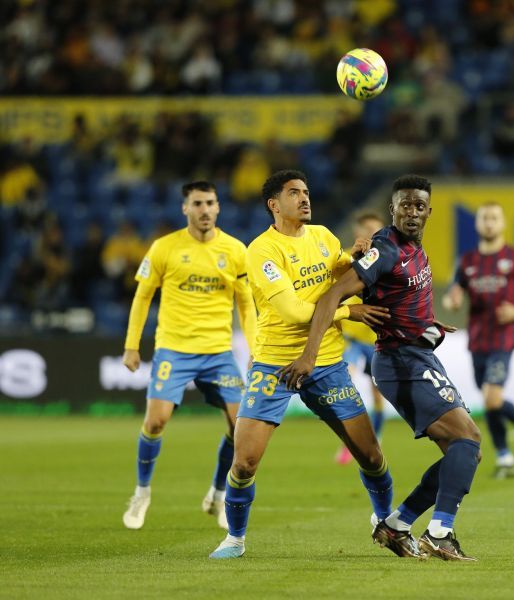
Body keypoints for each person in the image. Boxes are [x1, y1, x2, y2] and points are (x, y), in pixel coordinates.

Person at [280, 175, 482, 561]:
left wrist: (426, 323)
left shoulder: (413, 248)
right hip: (400, 361)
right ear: (393, 208)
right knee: (467, 441)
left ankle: (397, 525)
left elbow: (401, 295)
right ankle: (439, 533)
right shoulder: (385, 250)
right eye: (404, 204)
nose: (411, 212)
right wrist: (309, 355)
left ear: (428, 212)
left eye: (419, 206)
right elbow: (332, 295)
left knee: (465, 453)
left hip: (417, 354)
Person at [208, 170, 394, 559]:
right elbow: (292, 311)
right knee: (244, 463)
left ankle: (386, 523)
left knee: (371, 456)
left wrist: (354, 257)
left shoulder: (323, 236)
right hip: (274, 366)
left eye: (306, 192)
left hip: (326, 363)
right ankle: (235, 539)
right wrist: (349, 311)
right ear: (274, 205)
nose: (305, 198)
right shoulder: (261, 251)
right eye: (294, 193)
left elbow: (338, 268)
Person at [122, 181, 256, 531]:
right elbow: (142, 297)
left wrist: (256, 349)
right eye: (197, 203)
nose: (205, 209)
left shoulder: (235, 250)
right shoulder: (165, 247)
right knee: (155, 422)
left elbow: (246, 303)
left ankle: (218, 492)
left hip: (217, 351)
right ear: (186, 209)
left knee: (240, 427)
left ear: (218, 207)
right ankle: (142, 493)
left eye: (210, 202)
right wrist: (132, 345)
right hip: (174, 349)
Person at [442, 202, 514, 479]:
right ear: (478, 224)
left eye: (494, 218)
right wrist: (451, 301)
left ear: (502, 223)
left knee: (490, 397)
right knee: (491, 398)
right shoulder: (466, 262)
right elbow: (453, 294)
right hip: (477, 338)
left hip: (504, 336)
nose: (489, 223)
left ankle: (504, 458)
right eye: (484, 218)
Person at [335, 211, 389, 465]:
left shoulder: (387, 262)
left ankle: (373, 440)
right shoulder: (344, 258)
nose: (372, 235)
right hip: (349, 338)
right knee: (348, 376)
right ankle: (349, 441)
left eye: (377, 231)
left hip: (377, 340)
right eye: (368, 229)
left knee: (378, 396)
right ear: (358, 232)